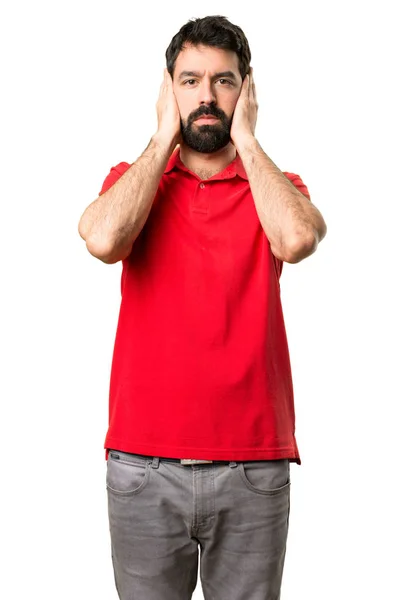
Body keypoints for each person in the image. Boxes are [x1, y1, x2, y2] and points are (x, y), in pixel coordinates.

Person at [78, 15, 327, 600]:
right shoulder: (136, 181)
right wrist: (163, 135)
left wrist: (247, 142)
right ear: (168, 89)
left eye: (224, 81)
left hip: (253, 468)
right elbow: (103, 240)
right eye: (190, 81)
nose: (208, 97)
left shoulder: (276, 186)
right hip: (143, 466)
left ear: (247, 92)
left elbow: (297, 239)